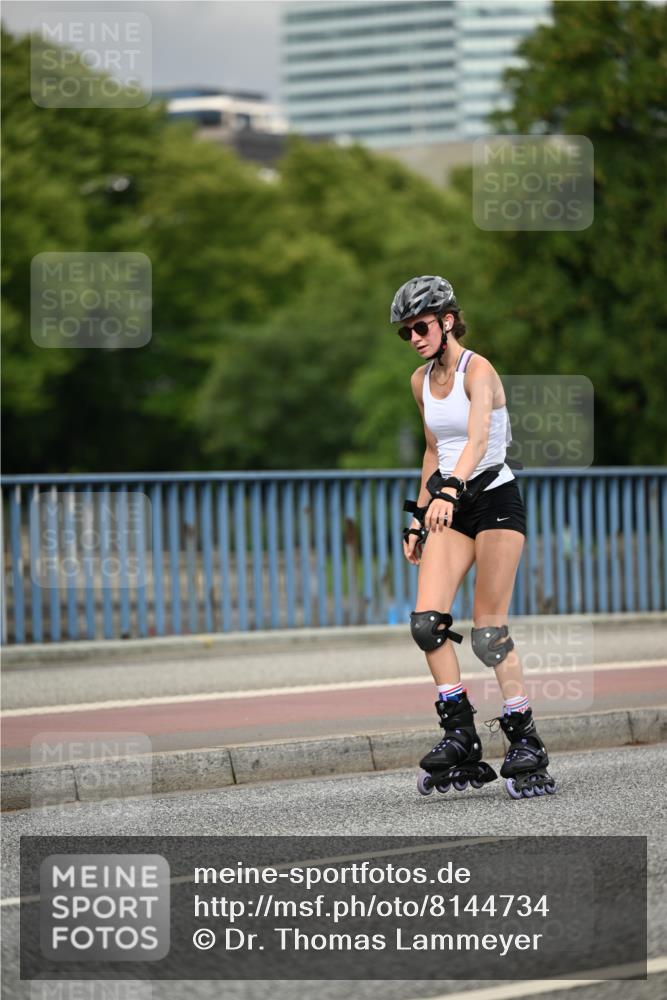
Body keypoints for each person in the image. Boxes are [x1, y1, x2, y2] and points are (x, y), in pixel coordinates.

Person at [391, 275, 555, 800]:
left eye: (421, 326)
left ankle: (524, 738)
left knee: (487, 634)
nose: (414, 337)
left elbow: (481, 436)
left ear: (447, 320)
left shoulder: (476, 369)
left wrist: (452, 487)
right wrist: (419, 516)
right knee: (425, 623)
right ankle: (459, 732)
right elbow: (432, 450)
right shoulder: (420, 382)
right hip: (448, 506)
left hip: (494, 500)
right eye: (405, 332)